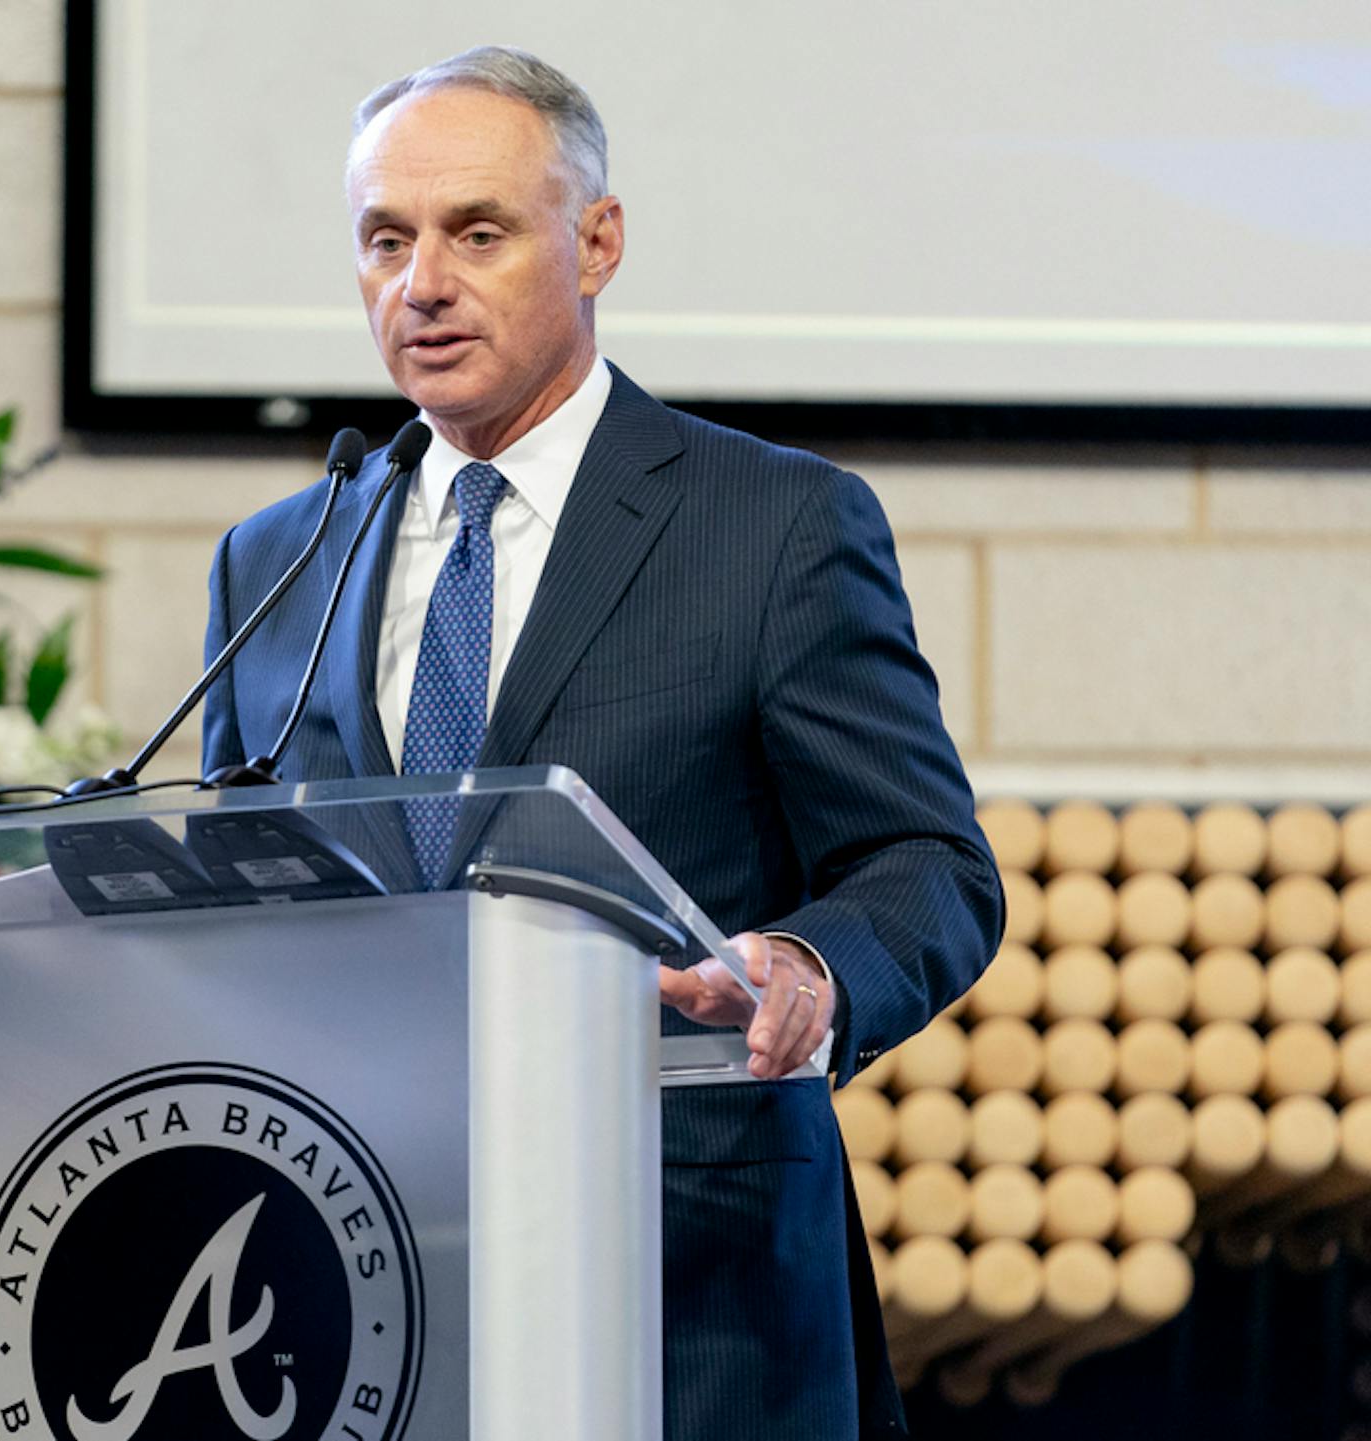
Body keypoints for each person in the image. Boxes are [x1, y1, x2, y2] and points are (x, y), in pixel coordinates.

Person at [198, 47, 1003, 1441]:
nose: (423, 283)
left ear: (597, 240)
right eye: (385, 241)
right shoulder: (281, 556)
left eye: (477, 232)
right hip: (349, 1282)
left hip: (691, 1287)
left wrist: (810, 961)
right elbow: (226, 901)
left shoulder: (775, 527)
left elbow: (929, 864)